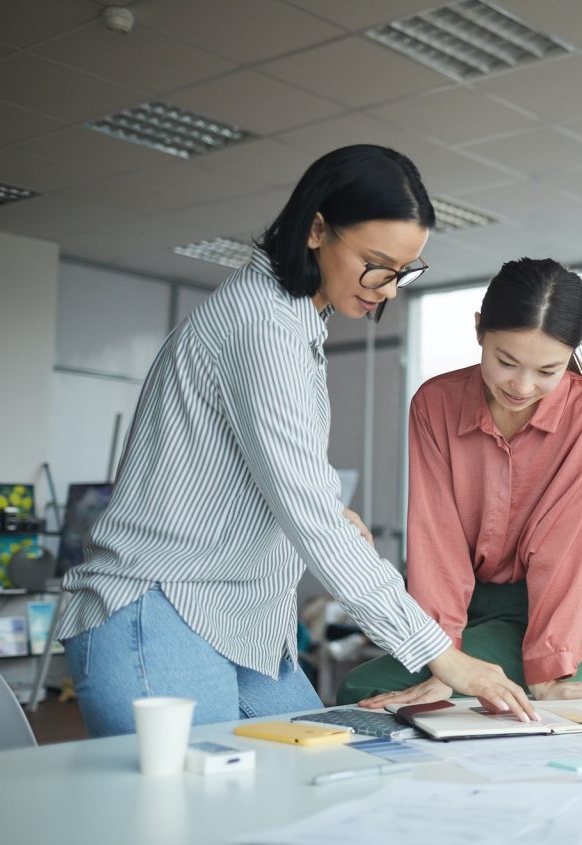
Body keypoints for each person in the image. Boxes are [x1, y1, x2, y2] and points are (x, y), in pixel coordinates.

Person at [57, 145, 536, 737]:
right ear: (316, 229)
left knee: (320, 781)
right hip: (160, 608)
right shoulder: (263, 328)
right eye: (377, 265)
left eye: (403, 272)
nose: (388, 289)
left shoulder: (295, 323)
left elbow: (256, 469)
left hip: (242, 614)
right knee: (196, 822)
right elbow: (311, 522)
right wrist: (444, 655)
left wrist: (328, 509)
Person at [338, 258, 582, 708]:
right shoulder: (436, 403)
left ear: (571, 355)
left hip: (550, 611)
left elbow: (567, 552)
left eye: (548, 371)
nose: (522, 385)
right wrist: (442, 657)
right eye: (506, 361)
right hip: (464, 602)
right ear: (479, 331)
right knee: (366, 689)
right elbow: (437, 541)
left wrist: (549, 674)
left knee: (375, 690)